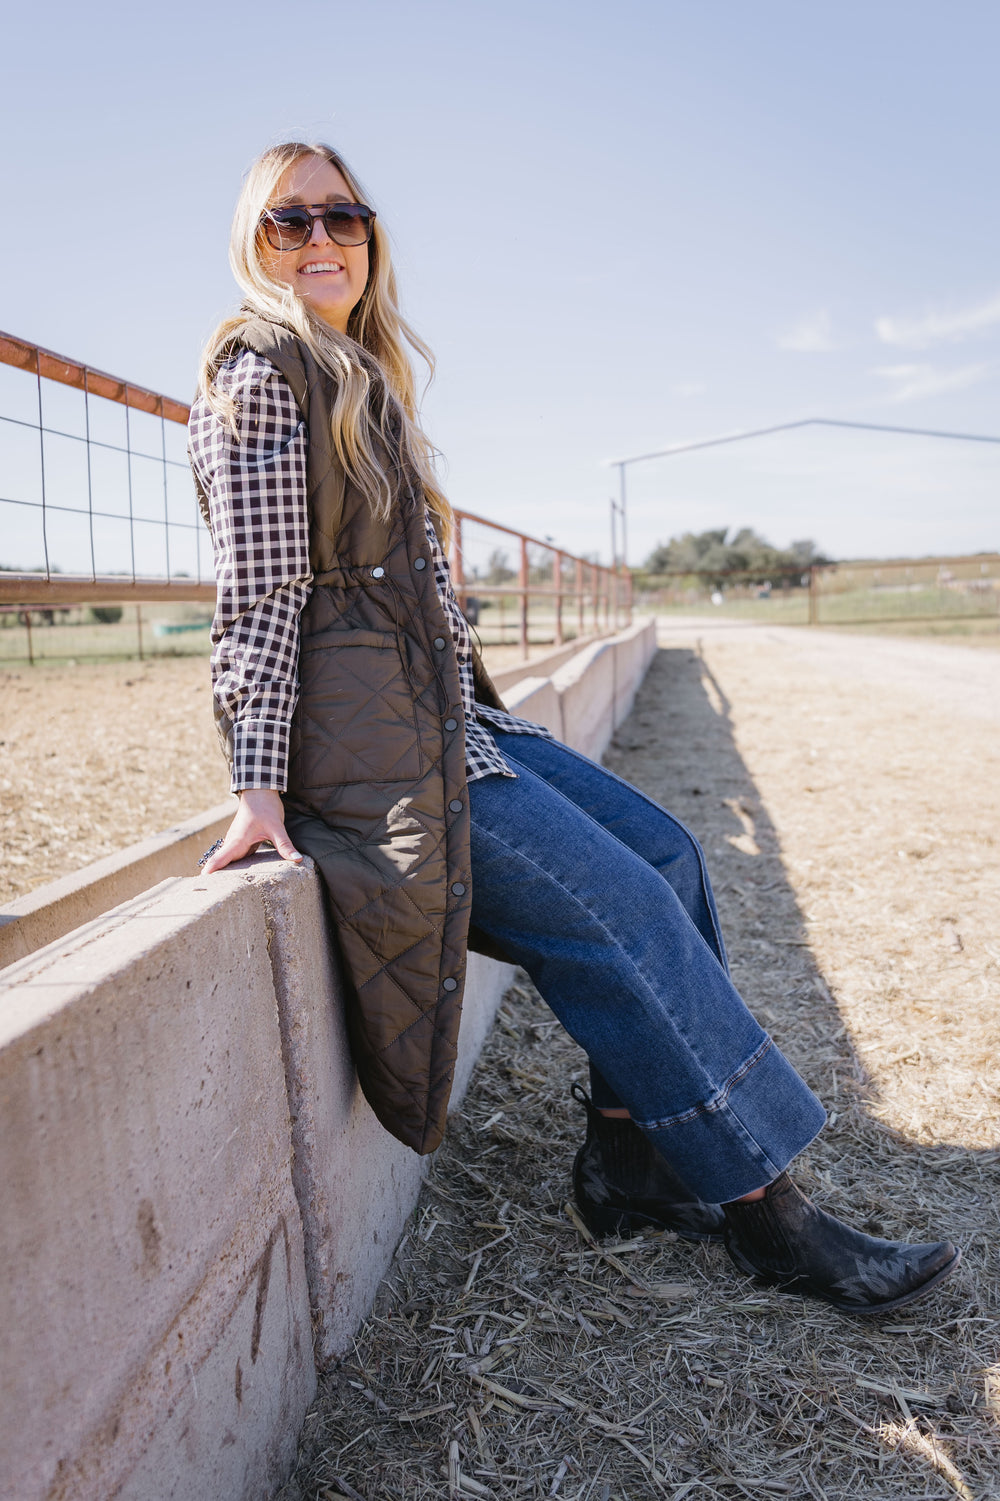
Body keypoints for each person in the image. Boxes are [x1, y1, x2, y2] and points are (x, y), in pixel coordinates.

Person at [189, 141, 959, 1317]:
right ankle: (768, 1214)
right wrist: (256, 785)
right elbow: (256, 595)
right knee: (626, 912)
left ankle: (627, 1159)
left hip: (450, 727)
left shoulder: (354, 372)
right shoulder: (259, 376)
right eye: (290, 222)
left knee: (670, 856)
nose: (322, 239)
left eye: (342, 215)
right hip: (376, 762)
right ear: (255, 242)